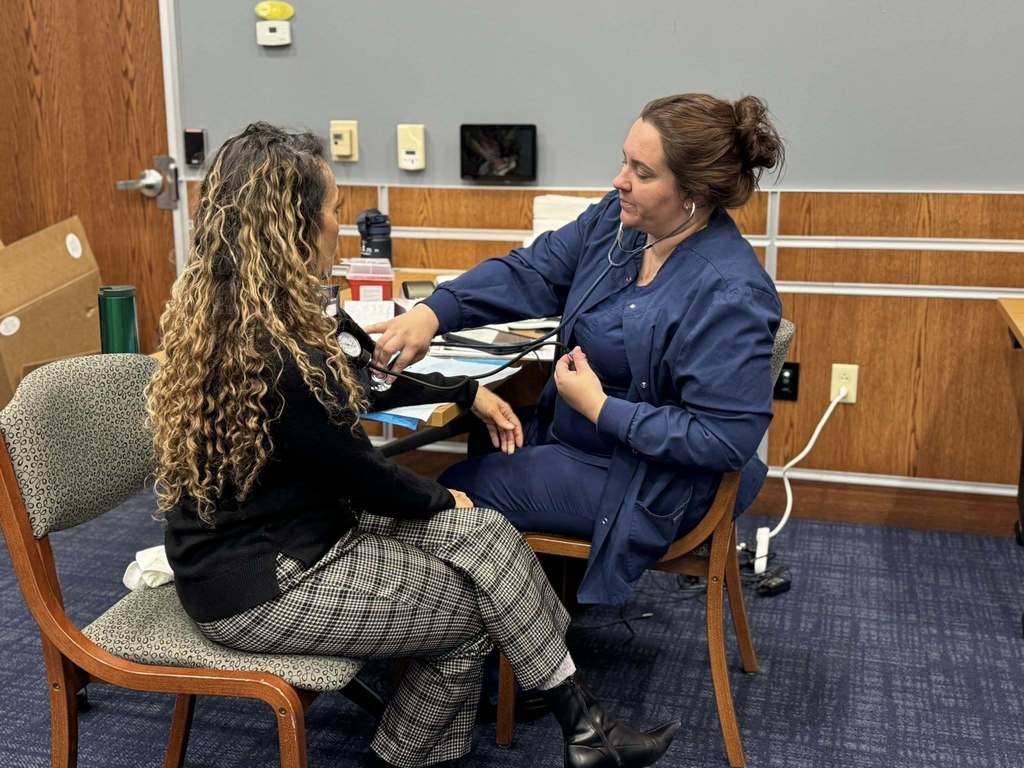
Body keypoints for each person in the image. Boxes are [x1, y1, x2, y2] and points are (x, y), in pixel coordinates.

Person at [145, 122, 680, 768]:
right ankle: (412, 757)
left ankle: (585, 728)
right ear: (294, 227)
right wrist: (438, 498)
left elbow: (363, 380)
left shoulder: (260, 311)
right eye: (333, 211)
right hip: (258, 581)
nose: (340, 226)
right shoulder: (275, 353)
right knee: (473, 613)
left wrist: (464, 394)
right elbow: (362, 474)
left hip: (294, 530)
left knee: (484, 534)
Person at [367, 94, 785, 606]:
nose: (619, 181)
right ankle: (533, 621)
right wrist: (433, 312)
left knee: (451, 491)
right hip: (587, 442)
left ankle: (506, 648)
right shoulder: (620, 222)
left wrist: (602, 409)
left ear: (694, 192)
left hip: (649, 479)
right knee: (488, 440)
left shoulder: (730, 292)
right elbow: (533, 271)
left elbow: (722, 439)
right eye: (623, 160)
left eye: (641, 171)